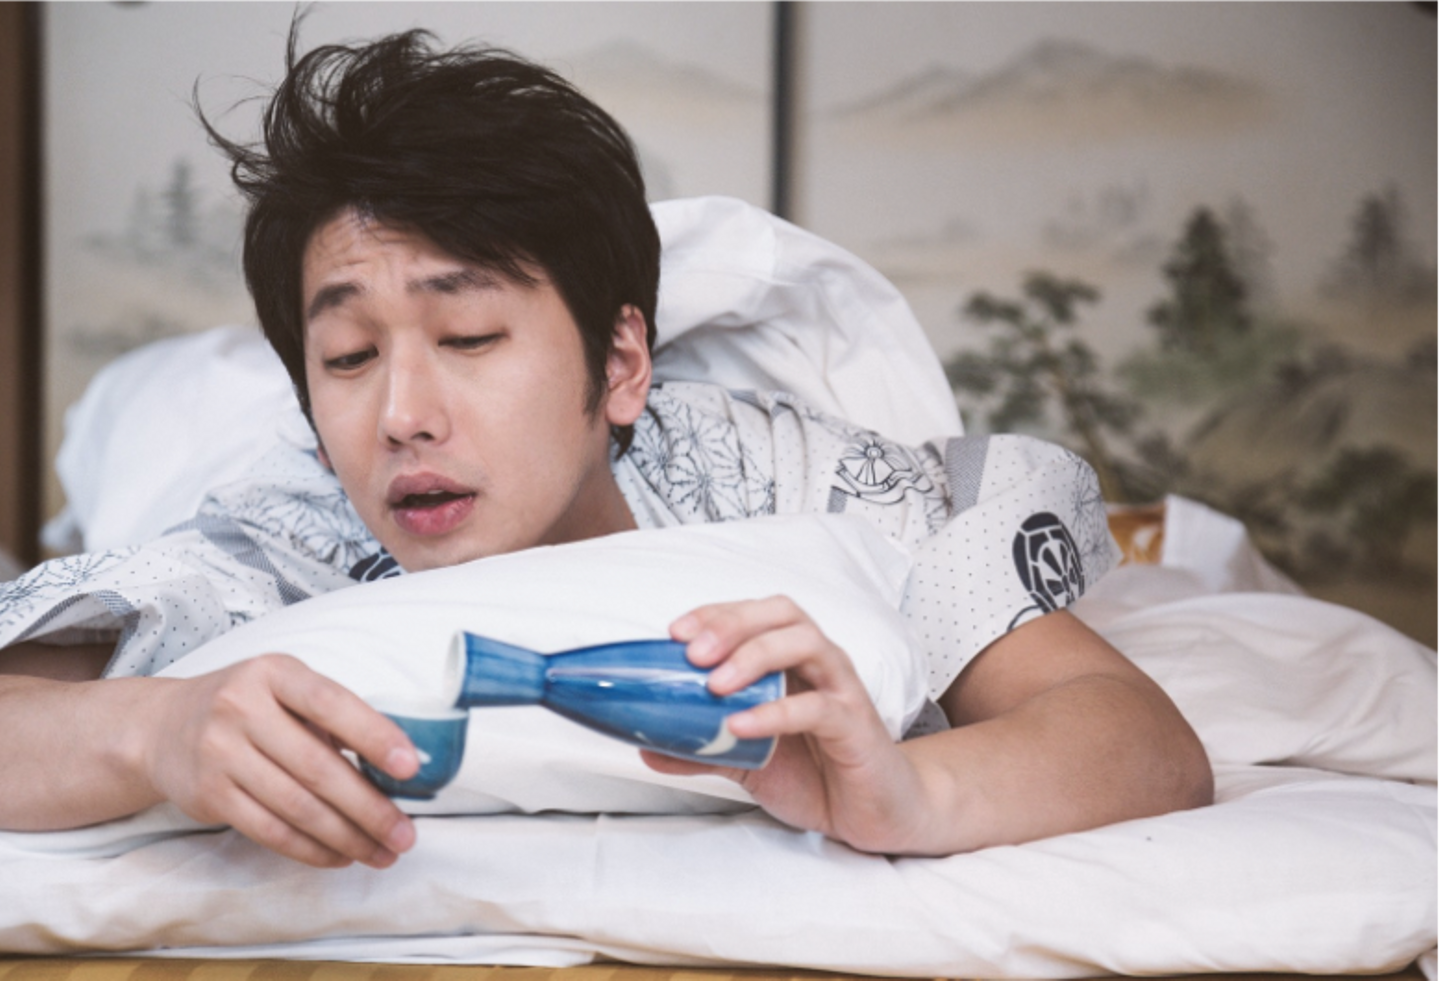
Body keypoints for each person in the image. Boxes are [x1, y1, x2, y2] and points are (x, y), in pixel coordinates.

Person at [0, 29, 1211, 870]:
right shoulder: (291, 529)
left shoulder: (790, 484)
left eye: (470, 336)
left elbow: (1132, 736)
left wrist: (913, 795)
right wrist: (153, 732)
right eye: (350, 358)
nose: (403, 415)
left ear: (622, 361)